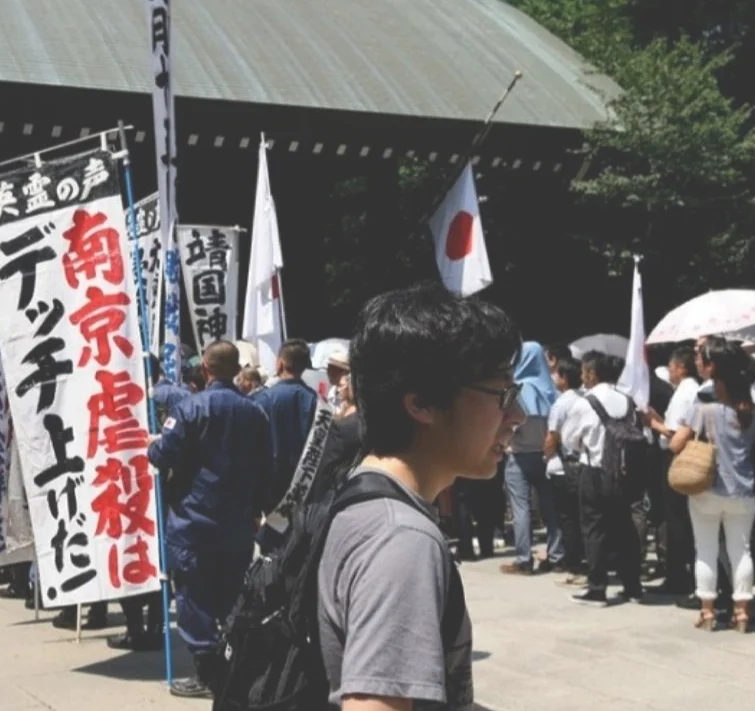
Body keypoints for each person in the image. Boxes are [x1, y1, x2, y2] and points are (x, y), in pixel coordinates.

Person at [318, 281, 523, 710]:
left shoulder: (359, 491)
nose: (517, 416)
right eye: (503, 393)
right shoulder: (401, 539)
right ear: (422, 404)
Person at [148, 340, 271, 698]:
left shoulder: (190, 410)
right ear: (236, 370)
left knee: (194, 601)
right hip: (235, 523)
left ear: (205, 368)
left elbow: (163, 453)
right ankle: (233, 667)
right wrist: (257, 510)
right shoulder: (255, 413)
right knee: (230, 597)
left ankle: (210, 674)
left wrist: (150, 446)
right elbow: (267, 467)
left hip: (193, 523)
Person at [670, 345, 755, 632]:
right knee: (741, 551)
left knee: (705, 549)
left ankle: (708, 611)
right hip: (743, 491)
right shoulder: (750, 411)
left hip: (707, 490)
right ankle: (742, 612)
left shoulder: (703, 409)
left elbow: (675, 444)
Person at [564, 351, 645, 606]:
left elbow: (570, 440)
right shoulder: (628, 401)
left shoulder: (585, 402)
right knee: (625, 529)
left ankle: (597, 588)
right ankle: (633, 586)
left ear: (592, 373)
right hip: (624, 473)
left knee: (594, 530)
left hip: (594, 471)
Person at [500, 341, 564, 575]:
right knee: (551, 509)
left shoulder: (517, 390)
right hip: (547, 456)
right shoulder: (552, 389)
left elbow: (510, 424)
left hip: (519, 455)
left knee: (521, 509)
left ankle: (523, 559)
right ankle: (557, 556)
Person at [645, 345, 700, 595]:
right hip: (676, 455)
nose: (669, 370)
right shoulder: (686, 391)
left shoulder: (685, 393)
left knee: (676, 520)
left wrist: (654, 424)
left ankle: (678, 578)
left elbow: (676, 434)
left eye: (673, 365)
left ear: (681, 368)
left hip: (677, 457)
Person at [253, 339, 319, 516]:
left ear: (280, 362)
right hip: (305, 481)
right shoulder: (315, 400)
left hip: (271, 482)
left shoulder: (264, 399)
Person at [544, 357, 586, 583]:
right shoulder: (586, 399)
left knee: (567, 518)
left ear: (564, 378)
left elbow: (552, 436)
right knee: (583, 516)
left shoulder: (560, 404)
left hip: (563, 467)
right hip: (585, 464)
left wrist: (546, 455)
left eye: (557, 374)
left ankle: (574, 564)